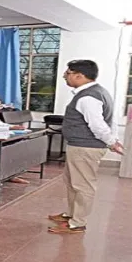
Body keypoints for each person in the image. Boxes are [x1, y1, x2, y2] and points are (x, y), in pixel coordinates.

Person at [48, 60, 123, 234]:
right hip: (80, 146)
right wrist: (113, 139)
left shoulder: (89, 97)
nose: (64, 76)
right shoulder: (97, 92)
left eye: (67, 73)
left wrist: (112, 142)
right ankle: (71, 214)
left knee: (82, 185)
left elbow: (97, 125)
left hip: (85, 147)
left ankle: (77, 223)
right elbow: (110, 120)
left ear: (79, 76)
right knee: (73, 182)